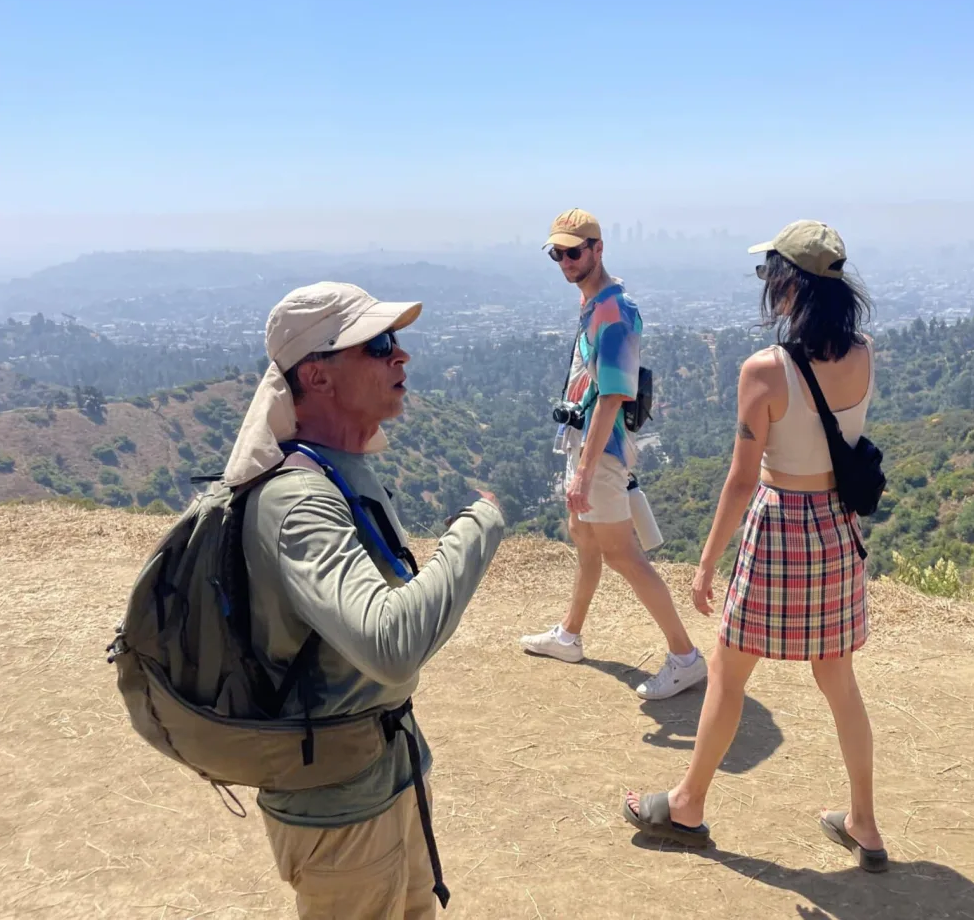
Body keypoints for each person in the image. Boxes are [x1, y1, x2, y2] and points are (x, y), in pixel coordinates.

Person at [222, 282, 506, 919]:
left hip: (384, 763)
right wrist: (477, 527)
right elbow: (391, 645)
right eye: (378, 345)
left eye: (397, 342)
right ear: (317, 376)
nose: (400, 357)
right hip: (337, 802)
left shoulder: (337, 467)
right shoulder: (299, 500)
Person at [622, 220, 888, 871]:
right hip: (834, 524)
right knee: (838, 677)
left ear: (790, 284)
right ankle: (865, 821)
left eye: (770, 273)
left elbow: (742, 479)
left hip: (779, 526)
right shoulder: (863, 352)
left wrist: (708, 559)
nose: (766, 284)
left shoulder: (765, 371)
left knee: (730, 670)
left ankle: (686, 805)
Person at [519, 208, 707, 700]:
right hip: (587, 444)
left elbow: (613, 396)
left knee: (623, 554)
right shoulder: (596, 303)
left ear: (598, 249)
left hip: (600, 451)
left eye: (573, 251)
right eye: (557, 252)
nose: (564, 260)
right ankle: (569, 635)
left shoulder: (614, 312)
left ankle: (685, 657)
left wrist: (583, 472)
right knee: (584, 538)